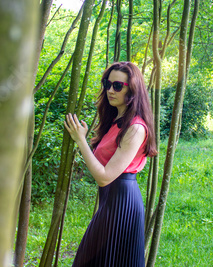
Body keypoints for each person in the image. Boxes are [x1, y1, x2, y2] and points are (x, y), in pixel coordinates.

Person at [64, 61, 157, 267]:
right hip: (110, 202)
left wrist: (81, 140)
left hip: (122, 204)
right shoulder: (116, 121)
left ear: (132, 90)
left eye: (117, 86)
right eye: (107, 84)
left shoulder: (135, 128)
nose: (109, 90)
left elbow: (104, 176)